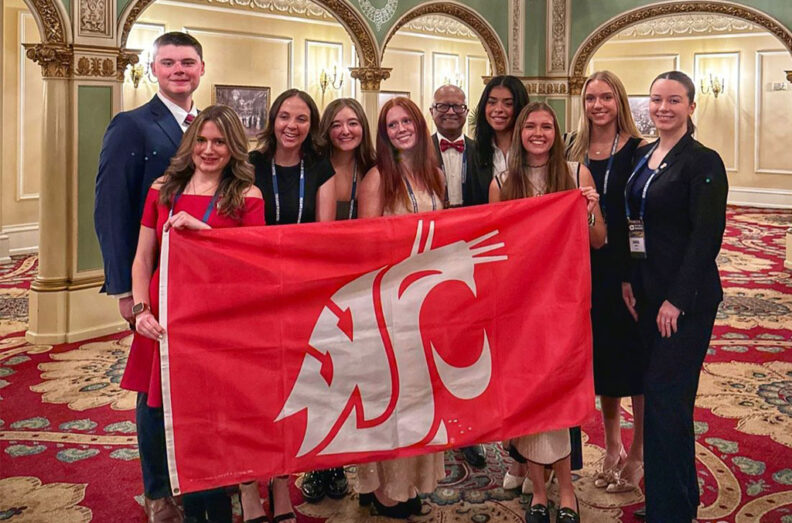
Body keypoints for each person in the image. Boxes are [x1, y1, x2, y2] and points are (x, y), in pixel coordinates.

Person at [121, 105, 264, 523]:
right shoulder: (163, 188)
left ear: (233, 147)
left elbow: (254, 265)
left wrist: (209, 235)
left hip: (216, 320)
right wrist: (140, 310)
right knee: (153, 407)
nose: (208, 149)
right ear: (190, 142)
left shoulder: (247, 196)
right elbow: (142, 256)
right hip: (162, 314)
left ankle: (213, 496)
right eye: (201, 140)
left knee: (211, 414)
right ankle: (160, 495)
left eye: (219, 141)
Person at [94, 31, 205, 522]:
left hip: (204, 286)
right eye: (168, 63)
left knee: (197, 385)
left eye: (187, 62)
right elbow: (111, 207)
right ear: (154, 69)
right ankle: (159, 491)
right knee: (155, 389)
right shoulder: (131, 126)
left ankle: (196, 477)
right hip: (155, 283)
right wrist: (125, 291)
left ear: (201, 68)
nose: (179, 70)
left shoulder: (209, 126)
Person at [490, 102, 605, 523]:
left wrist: (590, 208)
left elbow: (598, 240)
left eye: (546, 127)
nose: (538, 133)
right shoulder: (503, 181)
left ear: (556, 133)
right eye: (531, 127)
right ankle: (540, 491)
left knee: (558, 394)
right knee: (528, 396)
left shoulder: (577, 174)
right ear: (520, 132)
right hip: (521, 308)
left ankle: (567, 491)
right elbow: (495, 251)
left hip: (565, 304)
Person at [621, 71, 727, 522]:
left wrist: (676, 300)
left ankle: (671, 510)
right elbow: (633, 222)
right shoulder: (646, 155)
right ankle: (675, 500)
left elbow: (707, 237)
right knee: (662, 401)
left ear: (690, 106)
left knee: (668, 402)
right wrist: (628, 279)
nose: (663, 108)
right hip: (645, 295)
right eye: (657, 100)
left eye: (674, 101)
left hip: (684, 304)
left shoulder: (703, 161)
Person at [247, 89, 335, 522]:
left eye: (302, 119)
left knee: (289, 392)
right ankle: (247, 487)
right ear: (272, 120)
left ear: (311, 125)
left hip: (299, 294)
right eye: (284, 116)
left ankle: (281, 484)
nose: (292, 126)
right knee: (250, 392)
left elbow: (323, 236)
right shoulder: (249, 164)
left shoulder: (319, 167)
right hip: (252, 295)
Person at [356, 97, 446, 519]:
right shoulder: (377, 179)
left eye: (406, 120)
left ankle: (410, 481)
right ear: (384, 134)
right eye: (392, 125)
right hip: (389, 301)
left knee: (419, 397)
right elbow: (367, 249)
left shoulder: (433, 175)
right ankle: (383, 487)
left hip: (426, 300)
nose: (401, 129)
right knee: (388, 395)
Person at [566, 71, 647, 495]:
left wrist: (633, 275)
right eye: (590, 98)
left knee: (635, 362)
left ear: (619, 101)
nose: (598, 105)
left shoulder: (638, 152)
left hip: (624, 271)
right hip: (584, 268)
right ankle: (612, 446)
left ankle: (637, 454)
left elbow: (641, 218)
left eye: (606, 97)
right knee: (605, 362)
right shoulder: (573, 149)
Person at [294, 98, 376, 504]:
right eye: (338, 124)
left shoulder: (376, 170)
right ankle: (318, 462)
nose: (346, 130)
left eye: (354, 122)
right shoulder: (312, 168)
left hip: (362, 287)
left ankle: (345, 461)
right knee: (318, 377)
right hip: (317, 284)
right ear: (326, 129)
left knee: (352, 378)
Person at [429, 84, 488, 208]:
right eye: (443, 106)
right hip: (434, 223)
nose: (451, 112)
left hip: (473, 223)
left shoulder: (482, 151)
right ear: (431, 111)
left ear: (466, 112)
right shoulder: (420, 152)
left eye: (457, 106)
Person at [472, 75, 530, 197]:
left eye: (508, 104)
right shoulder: (473, 153)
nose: (498, 109)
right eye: (492, 102)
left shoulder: (533, 151)